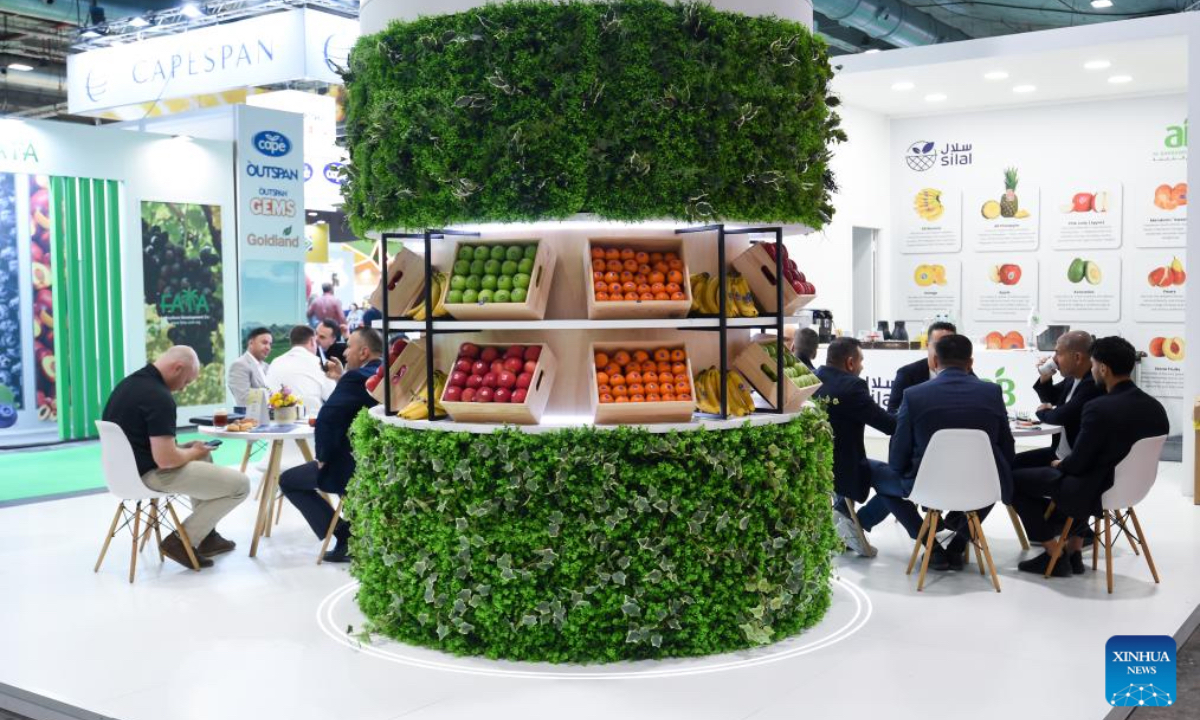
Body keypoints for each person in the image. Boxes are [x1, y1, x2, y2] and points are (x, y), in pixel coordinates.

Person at [1011, 336, 1169, 577]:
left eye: (1094, 365)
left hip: (1095, 488)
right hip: (1133, 487)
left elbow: (1077, 464)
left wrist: (1059, 463)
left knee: (1012, 480)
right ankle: (1073, 550)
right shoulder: (1155, 407)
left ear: (1103, 369)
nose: (1092, 370)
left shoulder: (1099, 408)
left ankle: (1054, 551)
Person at [101, 346, 250, 569]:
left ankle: (207, 536)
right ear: (178, 368)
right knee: (241, 485)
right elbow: (166, 461)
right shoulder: (159, 397)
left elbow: (141, 442)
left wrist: (187, 449)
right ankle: (182, 541)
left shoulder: (129, 385)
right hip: (151, 475)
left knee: (202, 458)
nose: (183, 388)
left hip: (125, 474)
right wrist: (192, 452)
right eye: (186, 382)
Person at [887, 334, 1015, 571]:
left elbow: (898, 455)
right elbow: (1006, 447)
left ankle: (932, 547)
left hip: (927, 486)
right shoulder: (992, 392)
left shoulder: (913, 395)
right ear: (971, 363)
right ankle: (958, 544)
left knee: (879, 476)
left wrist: (902, 470)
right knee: (998, 472)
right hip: (981, 486)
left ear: (935, 361)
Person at [278, 327, 384, 562]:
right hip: (380, 462)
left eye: (349, 346)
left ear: (364, 352)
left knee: (288, 481)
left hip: (350, 465)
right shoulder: (387, 373)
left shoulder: (355, 378)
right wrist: (341, 378)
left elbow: (329, 417)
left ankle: (344, 534)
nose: (345, 352)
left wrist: (322, 456)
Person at [814, 338, 897, 557]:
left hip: (816, 467)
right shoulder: (852, 387)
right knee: (902, 482)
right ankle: (855, 523)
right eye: (861, 361)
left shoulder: (812, 379)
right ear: (850, 363)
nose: (862, 367)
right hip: (845, 469)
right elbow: (888, 425)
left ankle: (844, 517)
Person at [1014, 330, 1102, 470]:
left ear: (1077, 357)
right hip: (1058, 453)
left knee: (1015, 471)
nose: (1053, 359)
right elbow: (1051, 398)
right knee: (1011, 463)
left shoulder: (1092, 384)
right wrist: (1045, 376)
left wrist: (1042, 411)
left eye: (1058, 353)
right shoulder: (1073, 378)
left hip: (1074, 462)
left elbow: (1061, 416)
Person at [887, 321, 957, 414]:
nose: (943, 350)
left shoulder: (963, 371)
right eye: (938, 345)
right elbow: (893, 412)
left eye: (948, 346)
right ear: (928, 345)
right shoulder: (907, 374)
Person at [265, 325, 339, 409]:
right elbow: (333, 397)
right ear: (312, 341)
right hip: (311, 419)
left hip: (276, 418)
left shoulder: (275, 362)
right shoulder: (319, 363)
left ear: (291, 342)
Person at [227, 327, 273, 407]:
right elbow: (244, 400)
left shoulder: (267, 366)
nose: (268, 347)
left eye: (270, 344)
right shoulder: (239, 365)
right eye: (264, 343)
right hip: (252, 418)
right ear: (251, 343)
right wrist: (268, 396)